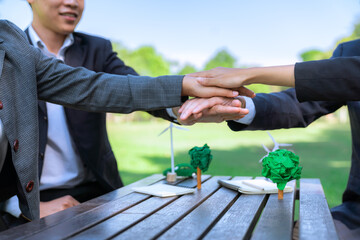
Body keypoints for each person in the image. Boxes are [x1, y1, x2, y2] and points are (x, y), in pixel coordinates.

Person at [0, 18, 252, 230]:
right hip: (27, 203)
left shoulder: (10, 41)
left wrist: (182, 95)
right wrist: (18, 204)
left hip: (97, 193)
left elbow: (99, 87)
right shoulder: (17, 45)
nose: (71, 2)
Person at [179, 44, 360, 239]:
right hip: (356, 216)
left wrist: (247, 74)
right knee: (307, 233)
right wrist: (239, 106)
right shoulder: (352, 49)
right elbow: (300, 103)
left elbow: (350, 72)